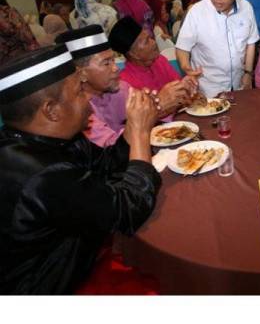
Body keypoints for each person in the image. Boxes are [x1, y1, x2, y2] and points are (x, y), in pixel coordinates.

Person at [0, 44, 162, 294]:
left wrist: (132, 125)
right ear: (51, 111)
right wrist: (141, 132)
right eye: (79, 91)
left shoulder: (54, 139)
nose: (89, 98)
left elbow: (106, 164)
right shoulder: (38, 174)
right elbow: (130, 209)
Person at [57, 25, 197, 147]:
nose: (115, 68)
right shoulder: (76, 110)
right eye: (106, 63)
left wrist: (166, 101)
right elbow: (112, 149)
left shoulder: (120, 89)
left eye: (113, 60)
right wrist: (158, 105)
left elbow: (154, 118)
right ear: (81, 74)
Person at [176, 0, 260, 97]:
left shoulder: (246, 8)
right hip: (208, 91)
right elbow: (182, 48)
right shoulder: (197, 12)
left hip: (239, 86)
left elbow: (251, 42)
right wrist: (187, 68)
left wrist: (248, 73)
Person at [0, 0, 40, 66]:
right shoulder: (9, 12)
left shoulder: (9, 13)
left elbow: (28, 40)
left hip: (18, 64)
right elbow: (29, 40)